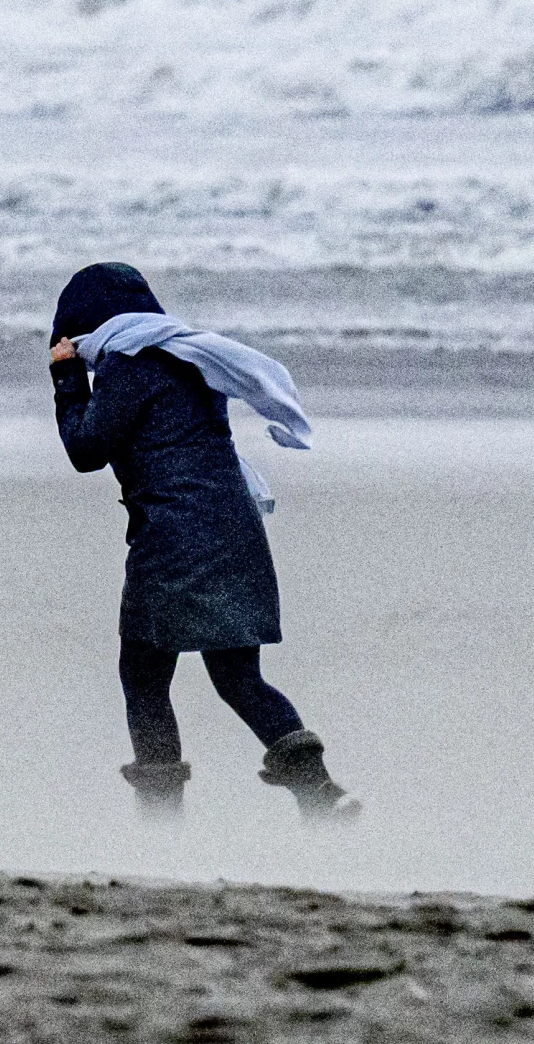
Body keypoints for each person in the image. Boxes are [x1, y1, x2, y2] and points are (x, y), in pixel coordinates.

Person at [48, 262, 356, 820]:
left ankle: (162, 820)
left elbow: (86, 450)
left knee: (144, 679)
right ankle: (321, 795)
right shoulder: (190, 356)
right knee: (240, 678)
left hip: (174, 538)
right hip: (236, 529)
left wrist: (67, 379)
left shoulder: (129, 364)